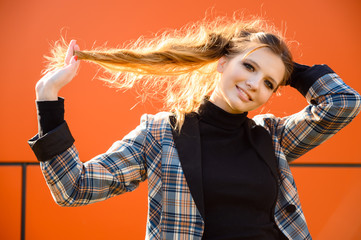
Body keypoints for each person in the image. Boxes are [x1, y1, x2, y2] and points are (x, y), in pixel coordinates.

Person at [28, 16, 361, 240]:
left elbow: (343, 103)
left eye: (269, 82)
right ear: (222, 60)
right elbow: (73, 188)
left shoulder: (272, 138)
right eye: (248, 65)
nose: (254, 83)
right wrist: (48, 100)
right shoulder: (160, 136)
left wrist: (289, 68)